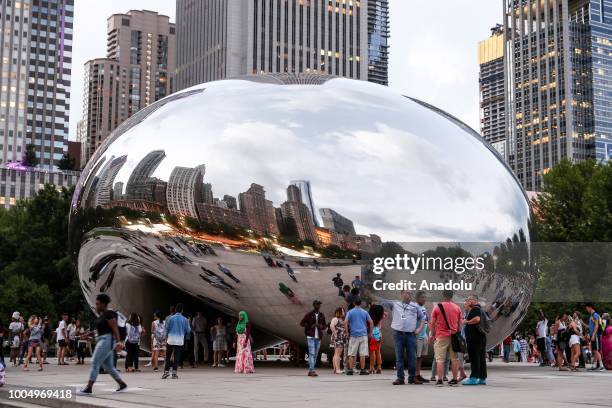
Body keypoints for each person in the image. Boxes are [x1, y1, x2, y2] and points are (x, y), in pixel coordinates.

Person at [78, 293, 127, 395]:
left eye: (98, 304)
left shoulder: (109, 313)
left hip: (106, 340)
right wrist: (88, 334)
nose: (96, 306)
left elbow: (115, 329)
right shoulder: (102, 315)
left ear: (104, 304)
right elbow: (100, 330)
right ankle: (122, 384)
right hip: (102, 339)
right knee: (108, 366)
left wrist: (118, 342)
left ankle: (89, 388)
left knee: (95, 362)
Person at [381, 291, 424, 384]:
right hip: (398, 334)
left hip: (411, 335)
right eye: (406, 292)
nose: (408, 294)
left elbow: (422, 318)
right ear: (401, 294)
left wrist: (419, 329)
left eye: (409, 293)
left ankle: (412, 378)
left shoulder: (415, 306)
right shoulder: (395, 304)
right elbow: (383, 301)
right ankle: (400, 378)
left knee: (412, 357)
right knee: (399, 357)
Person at [429, 290, 462, 386]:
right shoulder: (457, 308)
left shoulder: (437, 307)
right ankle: (455, 379)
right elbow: (460, 324)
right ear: (452, 296)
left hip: (441, 336)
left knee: (440, 359)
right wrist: (457, 333)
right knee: (454, 359)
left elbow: (432, 323)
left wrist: (432, 335)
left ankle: (439, 380)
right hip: (453, 337)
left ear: (443, 295)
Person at [344, 297, 373, 376]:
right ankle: (363, 370)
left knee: (351, 353)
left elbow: (345, 322)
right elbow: (371, 322)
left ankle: (350, 370)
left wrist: (347, 332)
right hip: (363, 335)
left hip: (353, 335)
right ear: (361, 303)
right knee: (362, 354)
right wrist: (370, 332)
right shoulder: (365, 312)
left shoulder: (350, 312)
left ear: (354, 303)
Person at [462, 295, 487, 385]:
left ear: (474, 301)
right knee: (480, 358)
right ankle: (482, 377)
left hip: (475, 338)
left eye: (469, 300)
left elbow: (477, 319)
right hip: (480, 337)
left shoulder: (475, 309)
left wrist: (467, 322)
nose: (467, 301)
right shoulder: (479, 309)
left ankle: (473, 377)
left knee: (474, 357)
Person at [162, 303, 191, 379]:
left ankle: (166, 372)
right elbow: (188, 330)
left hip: (170, 339)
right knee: (176, 357)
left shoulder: (170, 318)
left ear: (175, 309)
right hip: (179, 340)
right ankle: (174, 373)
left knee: (168, 356)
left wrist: (165, 338)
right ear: (182, 310)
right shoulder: (185, 319)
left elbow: (166, 329)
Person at [300, 300, 326, 377]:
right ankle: (312, 370)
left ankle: (311, 370)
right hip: (311, 336)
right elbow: (302, 323)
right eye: (317, 305)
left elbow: (324, 325)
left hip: (318, 337)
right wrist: (310, 326)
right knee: (311, 353)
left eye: (319, 305)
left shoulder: (321, 315)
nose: (318, 306)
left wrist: (321, 326)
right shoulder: (309, 314)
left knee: (315, 354)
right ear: (314, 305)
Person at [415, 291, 430, 383]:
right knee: (416, 357)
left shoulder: (423, 308)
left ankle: (418, 374)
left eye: (425, 297)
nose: (424, 299)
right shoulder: (415, 308)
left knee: (421, 357)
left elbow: (426, 321)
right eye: (422, 297)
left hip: (424, 335)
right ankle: (414, 375)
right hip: (417, 336)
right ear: (417, 298)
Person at [586, 304, 604, 371]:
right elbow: (591, 326)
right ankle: (594, 365)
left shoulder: (595, 315)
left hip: (595, 335)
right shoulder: (592, 315)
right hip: (593, 334)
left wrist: (593, 335)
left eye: (587, 308)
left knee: (596, 350)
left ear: (590, 307)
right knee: (594, 350)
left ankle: (601, 366)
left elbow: (596, 326)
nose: (586, 310)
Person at [330, 307, 347, 374]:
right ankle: (338, 369)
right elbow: (331, 326)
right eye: (342, 311)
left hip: (340, 337)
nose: (343, 312)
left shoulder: (340, 319)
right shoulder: (335, 319)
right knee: (338, 354)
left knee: (336, 354)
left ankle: (335, 368)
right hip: (338, 338)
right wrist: (335, 334)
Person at [368, 304, 384, 374]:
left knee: (372, 352)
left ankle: (372, 367)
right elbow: (380, 326)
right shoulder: (380, 317)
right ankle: (379, 367)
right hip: (379, 334)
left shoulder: (370, 318)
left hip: (373, 334)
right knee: (378, 351)